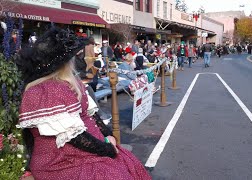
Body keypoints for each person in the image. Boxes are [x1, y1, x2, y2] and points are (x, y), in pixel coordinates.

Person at [15, 27, 151, 180]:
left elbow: (91, 115)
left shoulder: (71, 83)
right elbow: (75, 137)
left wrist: (108, 135)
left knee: (127, 164)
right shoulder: (43, 91)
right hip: (61, 161)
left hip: (82, 151)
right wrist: (107, 149)